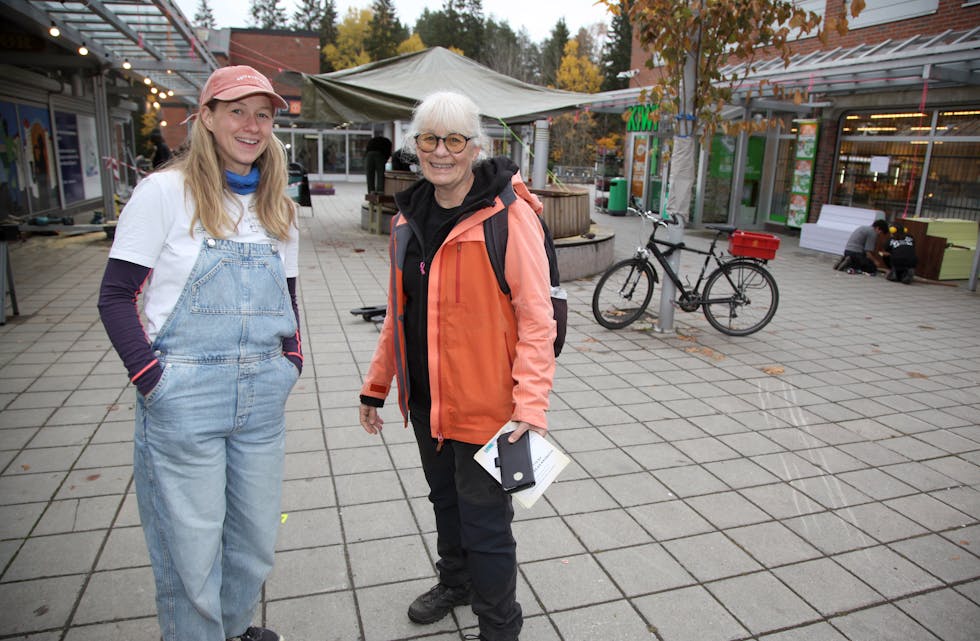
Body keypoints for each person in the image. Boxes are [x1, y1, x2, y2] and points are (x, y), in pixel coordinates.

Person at [97, 65, 301, 641]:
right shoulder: (164, 192)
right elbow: (116, 297)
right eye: (237, 110)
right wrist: (152, 379)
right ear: (206, 118)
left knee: (253, 541)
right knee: (191, 552)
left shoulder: (276, 205)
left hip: (263, 398)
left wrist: (292, 362)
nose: (251, 124)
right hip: (184, 398)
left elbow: (287, 297)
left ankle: (233, 630)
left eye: (262, 114)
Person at [357, 91, 556, 641]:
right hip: (427, 401)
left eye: (454, 140)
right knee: (444, 500)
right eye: (429, 139)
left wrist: (530, 408)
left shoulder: (508, 217)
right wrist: (378, 386)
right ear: (415, 145)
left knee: (487, 524)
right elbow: (398, 315)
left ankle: (499, 626)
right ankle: (456, 582)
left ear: (475, 147)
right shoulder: (408, 220)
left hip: (488, 407)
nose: (440, 152)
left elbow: (537, 322)